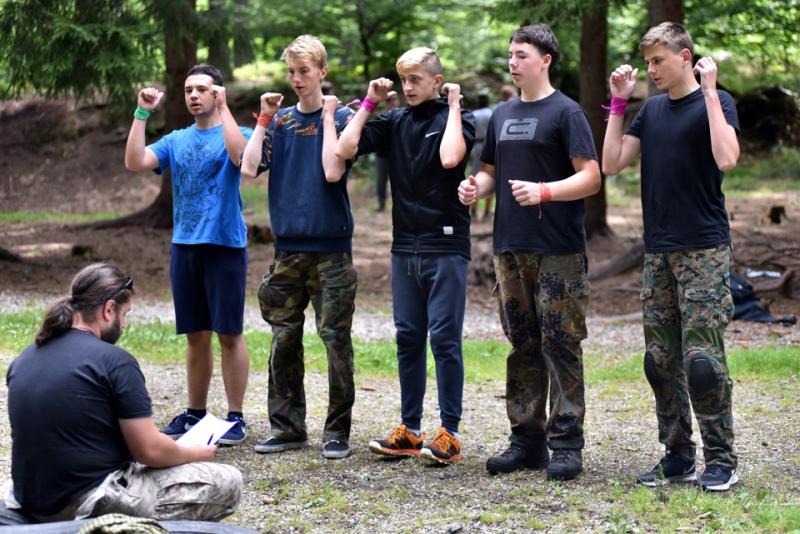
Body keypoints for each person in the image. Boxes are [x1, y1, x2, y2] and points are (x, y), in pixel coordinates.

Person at [602, 22, 740, 492]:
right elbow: (611, 163)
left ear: (685, 57)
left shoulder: (717, 102)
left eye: (658, 60)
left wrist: (710, 93)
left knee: (702, 361)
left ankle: (721, 458)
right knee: (660, 361)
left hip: (704, 248)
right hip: (658, 251)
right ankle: (678, 454)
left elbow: (727, 158)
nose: (651, 70)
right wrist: (618, 104)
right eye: (647, 62)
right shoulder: (651, 111)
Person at [458, 24, 600, 480]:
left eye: (521, 55)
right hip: (510, 246)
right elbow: (490, 172)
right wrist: (474, 187)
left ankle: (567, 443)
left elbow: (591, 177)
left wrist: (545, 191)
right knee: (523, 343)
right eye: (510, 55)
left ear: (545, 60)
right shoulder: (502, 114)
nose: (513, 62)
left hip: (558, 249)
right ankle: (527, 440)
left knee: (561, 343)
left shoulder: (567, 112)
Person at [5, 263, 242, 522]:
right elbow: (148, 451)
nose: (124, 325)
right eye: (125, 314)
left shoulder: (24, 358)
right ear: (109, 309)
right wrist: (196, 453)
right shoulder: (114, 361)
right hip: (89, 499)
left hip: (31, 499)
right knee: (228, 480)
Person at [337, 47, 476, 465]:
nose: (409, 87)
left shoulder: (458, 119)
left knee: (445, 339)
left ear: (437, 81)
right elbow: (345, 148)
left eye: (416, 79)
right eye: (404, 80)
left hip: (445, 245)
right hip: (405, 247)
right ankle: (410, 430)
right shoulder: (395, 120)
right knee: (408, 337)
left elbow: (450, 157)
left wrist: (454, 105)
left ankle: (450, 432)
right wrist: (369, 103)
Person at [241, 35, 357, 460]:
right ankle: (288, 427)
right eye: (291, 71)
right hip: (287, 249)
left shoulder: (342, 117)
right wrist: (263, 119)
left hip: (331, 249)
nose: (296, 79)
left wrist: (327, 117)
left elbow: (333, 169)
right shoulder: (282, 122)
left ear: (322, 71)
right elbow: (250, 166)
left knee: (335, 339)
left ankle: (337, 430)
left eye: (304, 71)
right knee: (283, 338)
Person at [124, 64, 252, 446]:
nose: (194, 95)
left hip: (225, 246)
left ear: (217, 93)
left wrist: (226, 109)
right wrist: (141, 112)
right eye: (188, 90)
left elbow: (241, 159)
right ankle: (195, 413)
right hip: (185, 246)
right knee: (196, 335)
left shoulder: (238, 131)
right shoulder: (177, 140)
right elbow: (135, 161)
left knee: (229, 333)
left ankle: (235, 418)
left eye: (201, 89)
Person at [469, 93, 494, 221]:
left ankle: (473, 211)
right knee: (490, 175)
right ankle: (487, 212)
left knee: (475, 177)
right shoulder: (491, 113)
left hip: (476, 146)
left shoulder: (474, 114)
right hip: (489, 144)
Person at [374, 93, 400, 212]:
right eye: (391, 100)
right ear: (387, 102)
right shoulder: (382, 116)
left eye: (395, 100)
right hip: (382, 155)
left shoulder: (404, 116)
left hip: (398, 155)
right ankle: (382, 204)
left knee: (399, 181)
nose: (394, 102)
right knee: (381, 181)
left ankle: (399, 204)